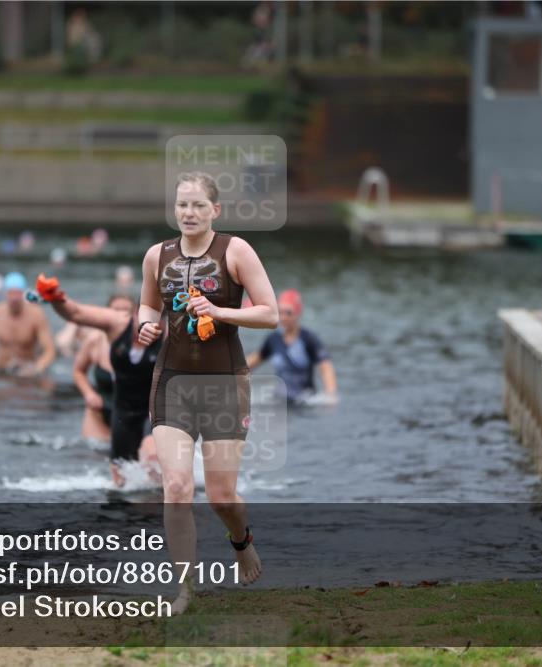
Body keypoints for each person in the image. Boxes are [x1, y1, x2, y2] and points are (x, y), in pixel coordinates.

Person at [135, 171, 278, 613]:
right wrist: (143, 324)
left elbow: (270, 313)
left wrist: (219, 310)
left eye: (198, 205)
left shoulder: (235, 251)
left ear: (215, 210)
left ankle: (241, 539)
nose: (189, 213)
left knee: (220, 495)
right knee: (176, 486)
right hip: (172, 384)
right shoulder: (157, 256)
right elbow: (146, 303)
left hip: (224, 384)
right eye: (182, 205)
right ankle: (185, 590)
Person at [35, 281, 162, 487]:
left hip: (154, 410)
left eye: (160, 320)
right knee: (122, 481)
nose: (153, 327)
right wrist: (56, 299)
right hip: (122, 412)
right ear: (136, 315)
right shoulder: (117, 325)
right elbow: (75, 313)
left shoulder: (173, 335)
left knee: (153, 456)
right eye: (147, 319)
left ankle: (166, 502)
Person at [247, 289, 338, 405]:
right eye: (280, 312)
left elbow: (326, 367)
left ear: (298, 313)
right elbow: (251, 363)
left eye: (288, 313)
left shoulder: (308, 339)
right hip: (279, 400)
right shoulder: (273, 339)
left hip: (304, 401)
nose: (283, 317)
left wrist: (331, 395)